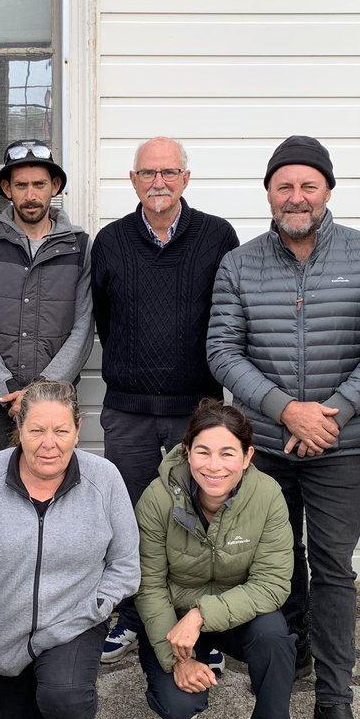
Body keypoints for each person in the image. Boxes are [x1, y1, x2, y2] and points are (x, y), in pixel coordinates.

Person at [207, 135, 360, 719]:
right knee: (276, 561)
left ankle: (334, 703)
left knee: (334, 569)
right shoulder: (239, 265)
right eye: (283, 186)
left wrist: (332, 412)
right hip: (264, 446)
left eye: (307, 185)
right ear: (268, 193)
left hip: (339, 447)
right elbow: (222, 350)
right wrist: (283, 410)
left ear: (327, 191)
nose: (295, 197)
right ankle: (288, 655)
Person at [91, 135, 240, 666]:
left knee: (199, 516)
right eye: (148, 174)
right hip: (128, 408)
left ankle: (201, 628)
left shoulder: (217, 236)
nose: (158, 183)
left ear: (185, 178)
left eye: (169, 172)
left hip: (194, 410)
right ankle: (133, 617)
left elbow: (228, 314)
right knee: (131, 518)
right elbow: (107, 321)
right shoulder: (110, 242)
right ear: (133, 181)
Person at [0, 380, 139, 719]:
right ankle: (34, 700)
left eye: (60, 430)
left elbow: (126, 566)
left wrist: (95, 606)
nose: (49, 444)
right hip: (0, 633)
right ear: (18, 428)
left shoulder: (104, 478)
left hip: (72, 624)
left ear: (78, 428)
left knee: (65, 697)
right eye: (36, 430)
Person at [134, 399, 294, 719]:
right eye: (203, 452)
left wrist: (202, 614)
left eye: (227, 453)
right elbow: (149, 585)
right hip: (174, 620)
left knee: (275, 637)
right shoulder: (157, 498)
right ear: (187, 453)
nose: (214, 465)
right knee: (178, 706)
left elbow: (273, 583)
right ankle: (196, 663)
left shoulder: (267, 495)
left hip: (234, 616)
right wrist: (176, 661)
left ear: (247, 456)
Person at [0, 140, 94, 458]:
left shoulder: (80, 246)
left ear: (54, 186)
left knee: (56, 482)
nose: (30, 195)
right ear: (7, 188)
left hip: (58, 399)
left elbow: (84, 328)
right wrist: (5, 388)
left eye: (39, 184)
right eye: (21, 185)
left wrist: (41, 390)